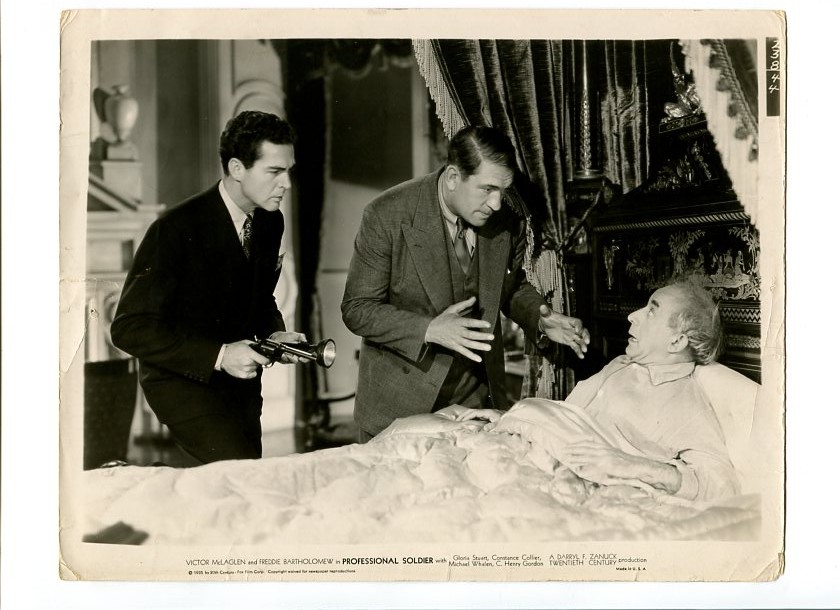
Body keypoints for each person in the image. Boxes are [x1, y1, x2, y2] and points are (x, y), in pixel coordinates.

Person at [341, 125, 590, 441]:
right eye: (487, 189)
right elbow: (357, 308)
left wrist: (540, 319)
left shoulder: (507, 220)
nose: (496, 203)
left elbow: (509, 287)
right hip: (399, 408)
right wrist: (429, 329)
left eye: (503, 190)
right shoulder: (387, 215)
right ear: (453, 178)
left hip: (473, 403)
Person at [111, 111, 305, 464]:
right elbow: (128, 328)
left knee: (245, 479)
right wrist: (220, 356)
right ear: (236, 168)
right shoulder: (175, 228)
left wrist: (275, 335)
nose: (287, 184)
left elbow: (260, 298)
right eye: (275, 171)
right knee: (240, 472)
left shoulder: (270, 221)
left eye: (288, 171)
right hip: (182, 381)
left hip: (242, 384)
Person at [457, 280, 739, 501]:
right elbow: (571, 415)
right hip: (524, 448)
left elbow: (722, 486)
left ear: (677, 342)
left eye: (652, 311)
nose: (632, 316)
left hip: (560, 480)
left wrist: (631, 465)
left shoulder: (686, 402)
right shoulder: (621, 364)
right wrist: (511, 417)